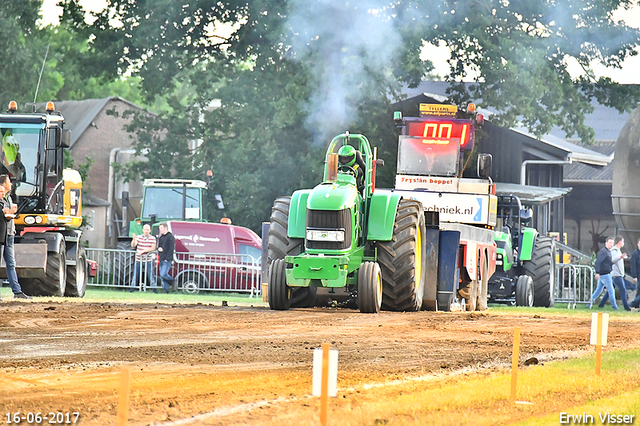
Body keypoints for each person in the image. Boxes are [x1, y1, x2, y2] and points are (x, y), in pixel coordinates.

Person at [0, 175, 31, 299]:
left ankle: (17, 292)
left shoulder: (8, 198)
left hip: (8, 234)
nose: (11, 184)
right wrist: (9, 213)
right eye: (9, 182)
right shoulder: (3, 200)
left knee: (11, 264)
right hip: (2, 235)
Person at [597, 235, 630, 311]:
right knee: (623, 289)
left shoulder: (617, 250)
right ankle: (626, 307)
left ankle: (601, 304)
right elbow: (612, 260)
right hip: (616, 274)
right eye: (623, 241)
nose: (623, 243)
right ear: (620, 242)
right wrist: (620, 257)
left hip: (617, 274)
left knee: (610, 291)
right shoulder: (615, 250)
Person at [587, 236, 619, 310]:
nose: (611, 244)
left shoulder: (607, 252)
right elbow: (598, 262)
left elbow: (607, 263)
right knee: (611, 290)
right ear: (606, 243)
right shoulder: (603, 252)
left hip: (604, 273)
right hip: (605, 274)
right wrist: (597, 272)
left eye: (612, 243)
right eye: (610, 243)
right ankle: (614, 306)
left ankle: (589, 304)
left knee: (598, 290)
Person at [130, 224, 156, 291]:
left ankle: (154, 289)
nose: (146, 231)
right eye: (145, 229)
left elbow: (153, 248)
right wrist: (133, 239)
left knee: (151, 277)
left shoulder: (153, 238)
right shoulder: (139, 237)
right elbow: (133, 245)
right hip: (138, 260)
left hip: (148, 260)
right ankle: (132, 289)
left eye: (147, 230)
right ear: (143, 230)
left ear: (150, 230)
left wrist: (143, 251)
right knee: (135, 276)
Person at [157, 222, 175, 293]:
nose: (160, 230)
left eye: (161, 228)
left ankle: (173, 281)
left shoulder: (170, 237)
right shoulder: (161, 237)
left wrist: (168, 258)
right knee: (162, 276)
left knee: (163, 274)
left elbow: (171, 248)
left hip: (167, 259)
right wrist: (159, 249)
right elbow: (159, 246)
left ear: (165, 228)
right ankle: (166, 290)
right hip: (161, 257)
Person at [629, 238, 640, 309]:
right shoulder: (635, 253)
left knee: (639, 292)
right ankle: (633, 304)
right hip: (638, 275)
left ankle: (636, 305)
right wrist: (634, 276)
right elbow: (633, 265)